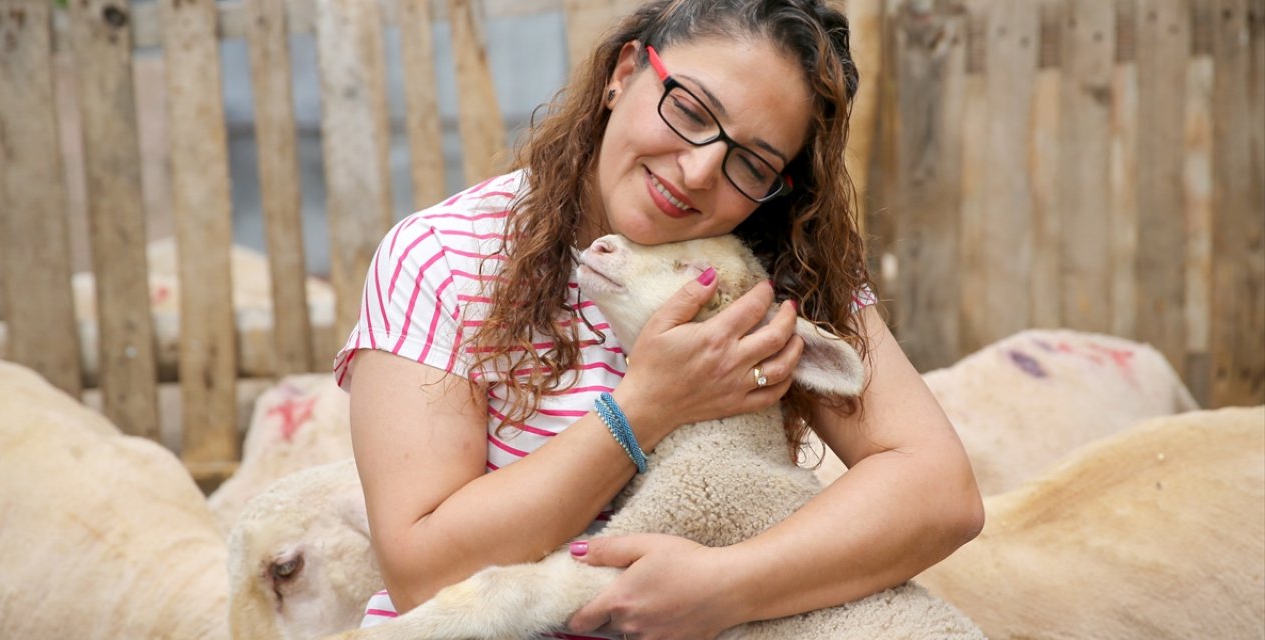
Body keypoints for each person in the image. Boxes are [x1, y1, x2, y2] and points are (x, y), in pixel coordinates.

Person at [333, 0, 984, 637]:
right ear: (624, 75)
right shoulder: (445, 256)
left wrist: (729, 586)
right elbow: (421, 575)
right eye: (692, 110)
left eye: (753, 163)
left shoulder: (769, 267)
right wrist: (645, 407)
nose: (701, 171)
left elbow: (939, 493)